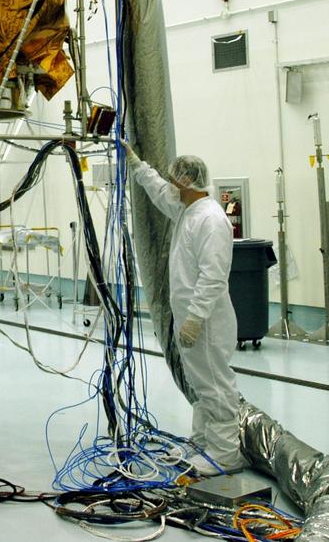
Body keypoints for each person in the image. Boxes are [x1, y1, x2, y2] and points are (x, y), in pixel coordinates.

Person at [123, 142, 244, 477]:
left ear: (188, 183)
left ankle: (225, 454)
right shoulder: (187, 210)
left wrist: (194, 319)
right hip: (190, 316)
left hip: (205, 321)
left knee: (215, 385)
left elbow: (214, 275)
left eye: (176, 182)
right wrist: (135, 163)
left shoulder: (210, 219)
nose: (172, 186)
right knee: (199, 383)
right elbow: (159, 191)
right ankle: (204, 441)